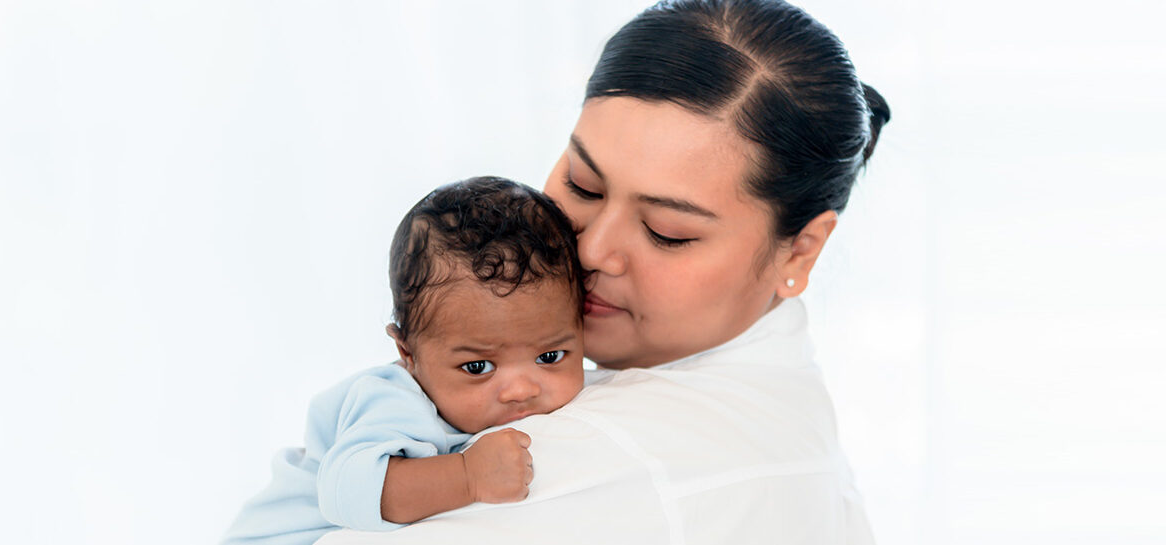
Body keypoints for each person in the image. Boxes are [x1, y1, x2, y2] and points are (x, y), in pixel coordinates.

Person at [317, 0, 891, 543]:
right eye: (582, 185)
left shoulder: (593, 456)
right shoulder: (787, 415)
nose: (592, 252)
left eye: (667, 231)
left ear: (799, 252)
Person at [221, 177, 589, 545]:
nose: (520, 389)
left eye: (549, 356)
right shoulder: (394, 400)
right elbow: (346, 493)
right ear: (408, 354)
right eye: (478, 367)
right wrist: (468, 477)